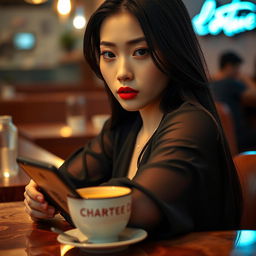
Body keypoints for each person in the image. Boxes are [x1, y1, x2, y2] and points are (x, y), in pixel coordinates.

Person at [24, 0, 242, 239]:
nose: (122, 72)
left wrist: (62, 196)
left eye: (140, 51)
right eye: (109, 54)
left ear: (173, 52)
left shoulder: (194, 123)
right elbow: (63, 182)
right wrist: (40, 196)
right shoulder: (124, 128)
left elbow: (135, 208)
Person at [210, 51, 256, 152]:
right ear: (229, 67)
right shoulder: (231, 83)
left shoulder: (210, 83)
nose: (238, 72)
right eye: (237, 68)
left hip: (220, 141)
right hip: (239, 138)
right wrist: (246, 79)